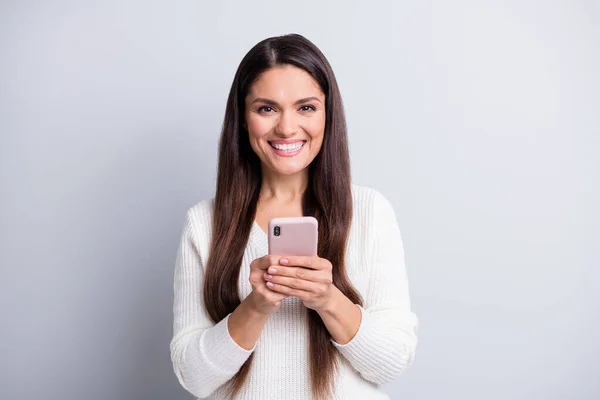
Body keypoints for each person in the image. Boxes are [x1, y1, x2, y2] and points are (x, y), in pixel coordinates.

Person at [170, 33, 418, 400]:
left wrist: (327, 299)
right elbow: (193, 376)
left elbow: (393, 362)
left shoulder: (369, 212)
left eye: (306, 107)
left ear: (327, 114)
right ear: (243, 118)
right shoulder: (204, 224)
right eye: (266, 108)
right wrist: (256, 305)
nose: (286, 128)